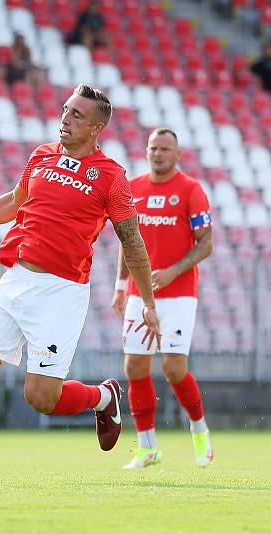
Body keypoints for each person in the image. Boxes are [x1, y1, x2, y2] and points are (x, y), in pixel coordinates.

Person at [0, 84, 161, 482]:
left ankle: (103, 396)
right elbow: (13, 201)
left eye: (76, 115)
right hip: (17, 279)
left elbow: (132, 241)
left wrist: (148, 302)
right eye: (65, 110)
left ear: (96, 128)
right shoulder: (41, 155)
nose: (65, 119)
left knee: (40, 398)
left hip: (61, 293)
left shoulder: (110, 177)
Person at [112, 128, 214, 469]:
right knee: (135, 365)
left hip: (180, 293)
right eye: (153, 148)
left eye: (165, 149)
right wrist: (119, 284)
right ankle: (147, 447)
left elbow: (206, 243)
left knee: (172, 366)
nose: (158, 154)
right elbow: (127, 240)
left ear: (178, 153)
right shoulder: (133, 189)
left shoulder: (191, 190)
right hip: (139, 294)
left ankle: (199, 430)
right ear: (146, 151)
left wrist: (172, 271)